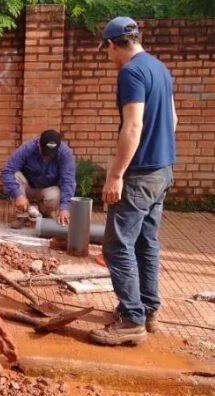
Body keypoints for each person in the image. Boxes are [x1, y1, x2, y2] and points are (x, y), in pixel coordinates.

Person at [89, 17, 177, 346]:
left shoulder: (131, 72)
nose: (108, 57)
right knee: (146, 243)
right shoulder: (160, 68)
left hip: (139, 175)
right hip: (162, 170)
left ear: (113, 44)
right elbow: (173, 119)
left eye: (106, 50)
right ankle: (149, 309)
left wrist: (116, 175)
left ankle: (131, 320)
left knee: (116, 245)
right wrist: (159, 151)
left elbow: (133, 126)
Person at [0, 129, 76, 229]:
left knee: (55, 195)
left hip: (47, 188)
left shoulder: (64, 153)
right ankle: (21, 215)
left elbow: (68, 181)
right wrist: (18, 195)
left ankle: (45, 214)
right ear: (38, 144)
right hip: (27, 187)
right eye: (44, 152)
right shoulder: (27, 148)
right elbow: (7, 171)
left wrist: (65, 208)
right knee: (15, 175)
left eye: (50, 154)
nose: (47, 157)